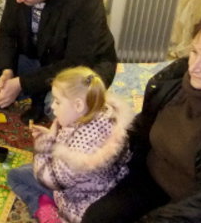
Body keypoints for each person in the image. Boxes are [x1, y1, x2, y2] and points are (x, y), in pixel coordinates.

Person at [82, 2, 201, 222]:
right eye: (194, 52)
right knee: (96, 218)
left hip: (200, 207)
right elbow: (142, 128)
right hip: (150, 179)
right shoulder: (173, 80)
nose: (194, 67)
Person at [7, 66, 134, 223]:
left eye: (58, 102)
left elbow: (48, 178)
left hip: (77, 208)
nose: (52, 106)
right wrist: (52, 136)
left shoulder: (81, 156)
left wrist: (43, 144)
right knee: (22, 172)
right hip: (87, 188)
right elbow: (70, 141)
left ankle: (49, 215)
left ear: (78, 106)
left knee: (15, 177)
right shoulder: (96, 114)